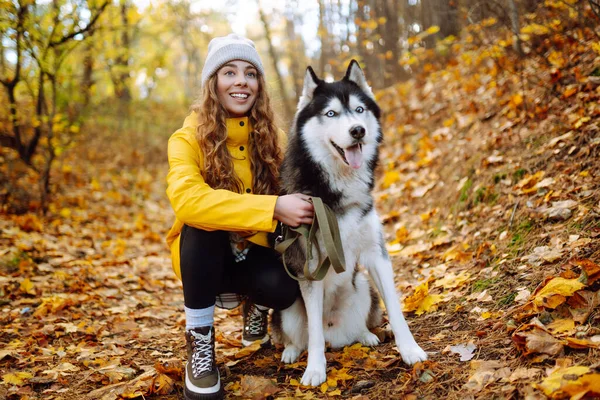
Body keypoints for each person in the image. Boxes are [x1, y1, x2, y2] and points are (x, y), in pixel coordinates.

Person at [165, 34, 314, 400]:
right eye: (228, 72)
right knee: (200, 224)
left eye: (250, 73)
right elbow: (186, 200)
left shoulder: (275, 139)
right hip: (205, 258)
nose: (241, 81)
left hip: (258, 251)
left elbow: (304, 186)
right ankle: (200, 348)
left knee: (286, 284)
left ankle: (257, 307)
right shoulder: (186, 139)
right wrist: (272, 208)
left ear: (259, 85)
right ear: (213, 84)